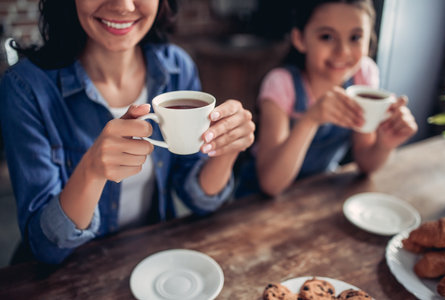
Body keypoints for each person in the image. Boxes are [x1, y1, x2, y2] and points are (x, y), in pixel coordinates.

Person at [0, 0, 255, 264]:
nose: (123, 6)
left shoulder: (177, 67)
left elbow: (200, 201)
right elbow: (45, 247)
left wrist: (226, 149)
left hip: (153, 261)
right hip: (68, 275)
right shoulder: (24, 88)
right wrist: (92, 170)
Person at [255, 0, 417, 196]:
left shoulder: (363, 75)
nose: (343, 51)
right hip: (260, 200)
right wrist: (310, 120)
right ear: (300, 39)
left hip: (320, 190)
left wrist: (384, 144)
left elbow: (366, 163)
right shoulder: (281, 84)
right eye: (327, 37)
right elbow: (270, 184)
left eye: (355, 37)